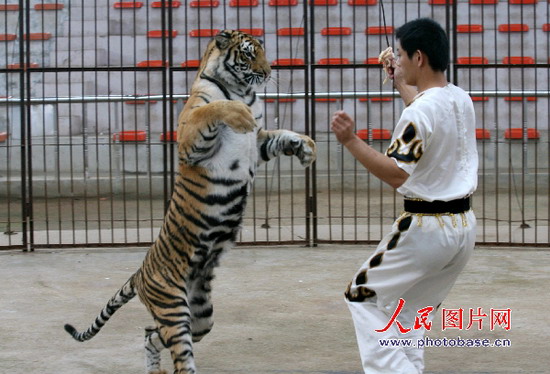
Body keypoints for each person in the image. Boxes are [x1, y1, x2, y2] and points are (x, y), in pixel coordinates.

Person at [330, 18, 478, 374]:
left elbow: (398, 173)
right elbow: (426, 110)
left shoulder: (421, 111)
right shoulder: (459, 98)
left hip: (425, 229)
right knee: (409, 312)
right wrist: (400, 82)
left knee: (362, 297)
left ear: (419, 57)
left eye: (400, 54)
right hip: (463, 228)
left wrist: (351, 140)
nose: (396, 59)